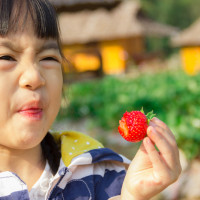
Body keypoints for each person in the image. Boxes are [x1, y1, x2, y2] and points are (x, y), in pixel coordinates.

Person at [0, 0, 181, 199]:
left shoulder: (99, 173)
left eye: (48, 57)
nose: (34, 77)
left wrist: (130, 196)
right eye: (6, 57)